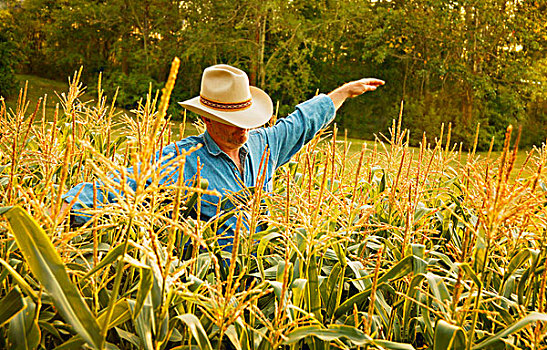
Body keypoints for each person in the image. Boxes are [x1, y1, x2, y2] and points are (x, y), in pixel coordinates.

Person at [62, 64, 384, 249]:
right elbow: (122, 185)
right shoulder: (182, 160)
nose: (244, 131)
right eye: (233, 124)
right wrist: (62, 209)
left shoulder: (262, 145)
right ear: (206, 118)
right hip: (209, 288)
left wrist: (343, 92)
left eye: (247, 121)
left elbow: (301, 123)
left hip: (263, 278)